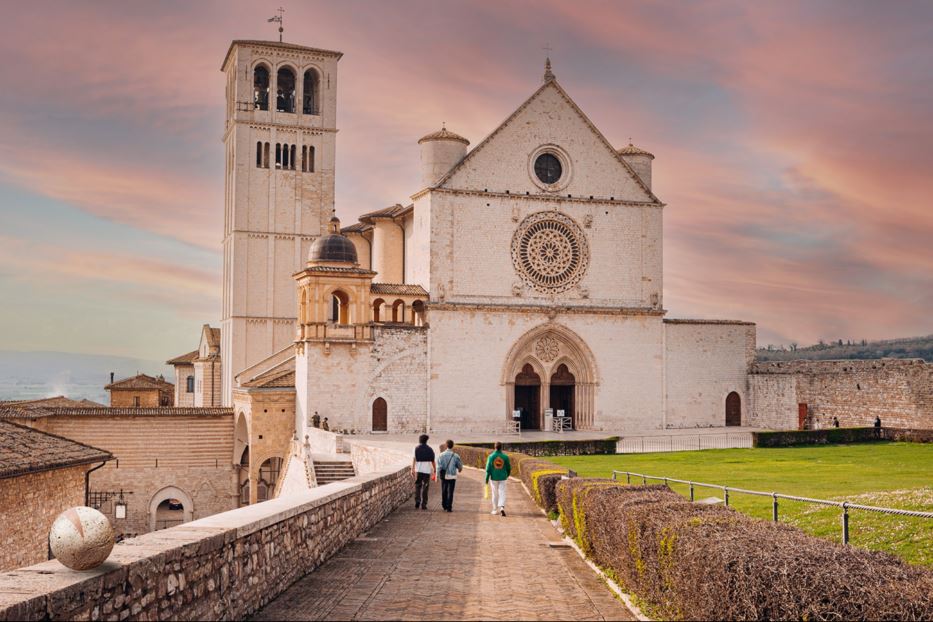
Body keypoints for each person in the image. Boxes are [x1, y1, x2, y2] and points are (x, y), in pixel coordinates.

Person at [485, 441, 511, 517]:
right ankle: (502, 507)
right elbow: (509, 468)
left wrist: (486, 480)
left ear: (494, 447)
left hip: (493, 477)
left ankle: (495, 509)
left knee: (494, 494)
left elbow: (488, 469)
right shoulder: (505, 457)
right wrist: (507, 475)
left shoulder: (491, 457)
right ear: (501, 447)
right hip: (503, 477)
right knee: (502, 492)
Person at [437, 440, 463, 512]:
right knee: (450, 492)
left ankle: (444, 505)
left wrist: (436, 476)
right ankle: (449, 507)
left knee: (444, 490)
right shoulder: (455, 455)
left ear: (446, 445)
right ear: (453, 446)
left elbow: (438, 467)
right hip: (452, 476)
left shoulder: (441, 455)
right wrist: (460, 469)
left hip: (444, 476)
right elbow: (459, 466)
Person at [411, 434, 436, 510]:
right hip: (427, 471)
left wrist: (412, 469)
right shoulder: (430, 449)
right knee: (425, 487)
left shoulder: (416, 448)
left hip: (418, 470)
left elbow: (414, 459)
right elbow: (433, 461)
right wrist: (434, 469)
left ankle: (417, 501)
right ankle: (424, 504)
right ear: (426, 440)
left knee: (418, 486)